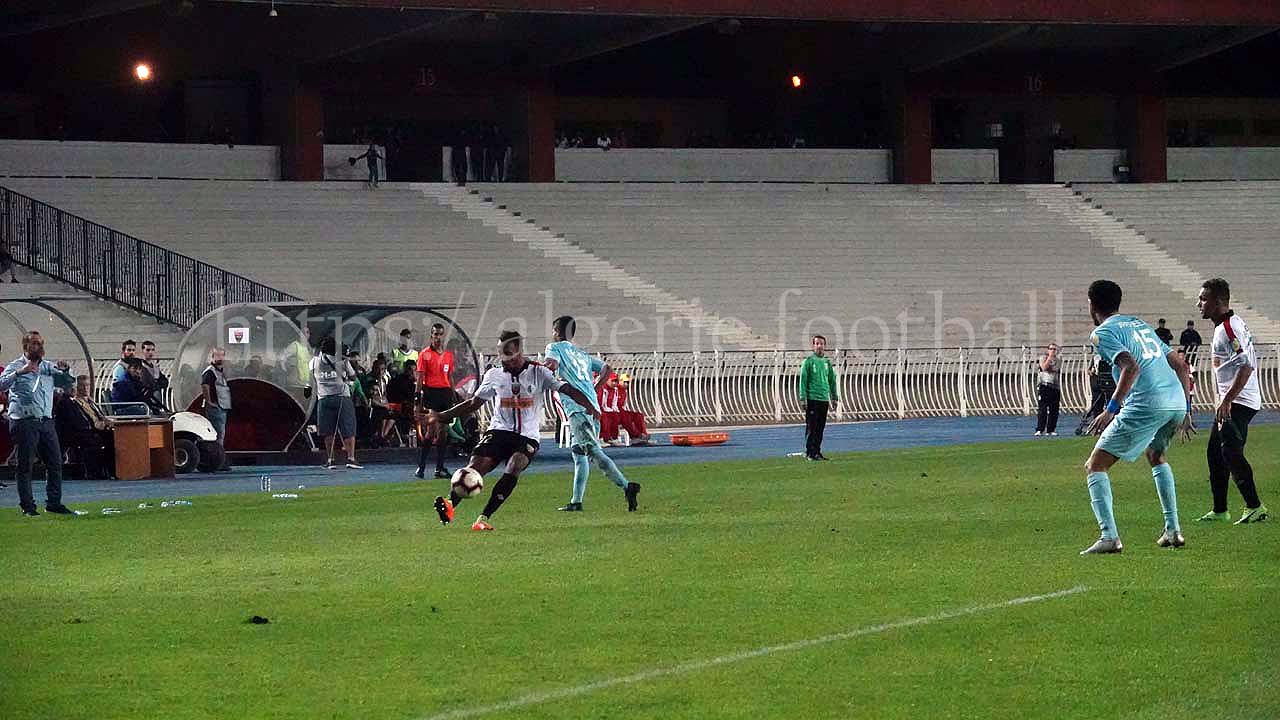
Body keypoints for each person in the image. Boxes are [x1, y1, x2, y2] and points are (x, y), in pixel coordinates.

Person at [425, 330, 601, 531]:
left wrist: (590, 406)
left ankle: (483, 518)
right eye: (500, 353)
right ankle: (449, 505)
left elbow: (567, 389)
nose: (503, 358)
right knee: (475, 468)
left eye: (507, 352)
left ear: (518, 350)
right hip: (499, 431)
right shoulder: (494, 374)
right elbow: (473, 403)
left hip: (527, 436)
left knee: (515, 465)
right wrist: (441, 416)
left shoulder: (539, 372)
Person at [1080, 280, 1195, 555]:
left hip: (1147, 402)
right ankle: (1173, 530)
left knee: (1095, 465)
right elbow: (1180, 364)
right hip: (1175, 402)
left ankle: (1109, 537)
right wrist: (1187, 410)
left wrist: (1111, 409)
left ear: (1092, 305)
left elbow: (1130, 367)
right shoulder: (1138, 324)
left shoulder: (1102, 332)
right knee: (1156, 456)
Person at [543, 315, 640, 513]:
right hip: (592, 406)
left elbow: (551, 365)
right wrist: (595, 387)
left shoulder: (554, 348)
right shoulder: (582, 353)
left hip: (578, 408)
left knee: (593, 451)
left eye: (553, 330)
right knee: (579, 454)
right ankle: (576, 501)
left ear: (557, 332)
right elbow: (607, 368)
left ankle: (627, 486)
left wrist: (535, 368)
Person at [1195, 278, 1268, 524]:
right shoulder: (1228, 325)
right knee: (1215, 453)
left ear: (1217, 302)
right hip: (1233, 399)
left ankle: (1254, 506)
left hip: (1239, 400)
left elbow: (1246, 366)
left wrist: (1227, 400)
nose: (1199, 304)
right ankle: (1220, 510)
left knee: (1230, 452)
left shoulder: (1228, 329)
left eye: (1203, 299)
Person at [0, 332, 76, 516]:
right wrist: (20, 372)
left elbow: (67, 384)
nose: (39, 347)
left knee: (55, 463)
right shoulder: (15, 366)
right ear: (25, 346)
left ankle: (54, 503)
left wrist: (66, 371)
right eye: (35, 343)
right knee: (25, 465)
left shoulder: (48, 367)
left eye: (41, 343)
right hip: (24, 421)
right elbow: (1, 384)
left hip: (46, 421)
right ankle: (28, 506)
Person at [311, 337, 363, 470]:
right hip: (342, 397)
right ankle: (351, 458)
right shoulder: (342, 361)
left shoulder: (314, 362)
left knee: (328, 431)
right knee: (348, 429)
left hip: (323, 398)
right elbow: (353, 376)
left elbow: (311, 379)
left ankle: (330, 460)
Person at [415, 323, 455, 479]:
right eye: (435, 334)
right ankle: (421, 466)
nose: (438, 337)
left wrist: (453, 394)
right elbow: (420, 378)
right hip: (431, 393)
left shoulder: (448, 355)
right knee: (431, 430)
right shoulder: (424, 354)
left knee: (443, 431)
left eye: (440, 334)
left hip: (445, 393)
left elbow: (449, 376)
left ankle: (439, 468)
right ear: (431, 335)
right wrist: (417, 400)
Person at [55, 375, 115, 479]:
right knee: (106, 439)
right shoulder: (71, 402)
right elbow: (79, 422)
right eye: (81, 386)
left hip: (93, 429)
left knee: (114, 436)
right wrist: (98, 425)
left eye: (87, 385)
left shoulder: (90, 401)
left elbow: (99, 417)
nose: (85, 388)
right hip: (81, 433)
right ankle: (104, 471)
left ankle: (113, 470)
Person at [798, 334, 837, 460]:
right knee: (812, 427)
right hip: (812, 399)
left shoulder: (827, 362)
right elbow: (803, 380)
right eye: (817, 343)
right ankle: (810, 452)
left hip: (824, 399)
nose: (819, 346)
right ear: (813, 346)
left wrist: (834, 396)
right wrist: (803, 398)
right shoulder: (808, 361)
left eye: (821, 344)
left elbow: (832, 380)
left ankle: (817, 452)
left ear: (825, 346)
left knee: (820, 428)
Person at [200, 347, 232, 471]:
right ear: (212, 357)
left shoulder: (220, 371)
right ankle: (218, 461)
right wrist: (209, 401)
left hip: (222, 406)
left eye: (222, 355)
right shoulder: (210, 371)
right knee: (218, 435)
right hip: (216, 407)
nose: (220, 358)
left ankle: (219, 460)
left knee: (220, 435)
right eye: (217, 355)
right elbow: (205, 385)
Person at [598, 373, 650, 445]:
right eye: (625, 382)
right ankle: (635, 436)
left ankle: (642, 434)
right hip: (607, 411)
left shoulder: (621, 391)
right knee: (620, 417)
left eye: (628, 382)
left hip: (616, 410)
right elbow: (603, 404)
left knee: (638, 415)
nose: (626, 384)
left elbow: (619, 405)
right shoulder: (606, 388)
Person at [1075, 355, 1116, 436]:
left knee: (1110, 404)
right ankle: (1097, 427)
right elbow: (1089, 370)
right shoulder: (1095, 357)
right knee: (1097, 405)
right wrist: (1092, 371)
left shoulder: (1110, 356)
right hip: (1096, 384)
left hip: (1109, 383)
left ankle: (1110, 426)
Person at [386, 359, 418, 444]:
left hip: (412, 403)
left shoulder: (416, 381)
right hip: (400, 404)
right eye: (410, 370)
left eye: (414, 370)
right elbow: (395, 394)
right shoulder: (399, 380)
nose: (412, 372)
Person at [1035, 343, 1062, 436]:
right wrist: (1049, 358)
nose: (1053, 351)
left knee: (1054, 409)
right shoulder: (1043, 358)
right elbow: (1044, 367)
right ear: (1048, 350)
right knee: (1042, 409)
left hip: (1055, 386)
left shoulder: (1058, 360)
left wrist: (1049, 367)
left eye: (1054, 349)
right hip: (1044, 385)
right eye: (1051, 349)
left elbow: (1055, 369)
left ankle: (1051, 429)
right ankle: (1040, 429)